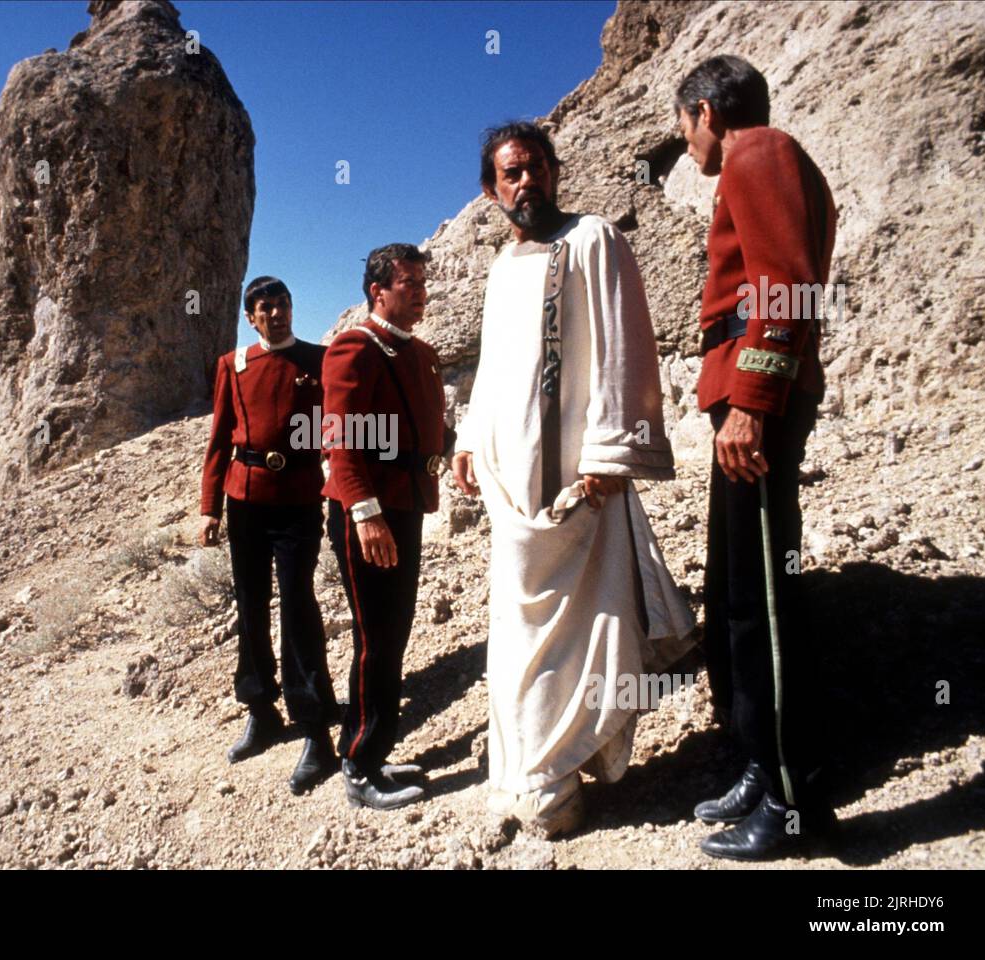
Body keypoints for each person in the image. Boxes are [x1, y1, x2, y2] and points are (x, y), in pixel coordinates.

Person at [452, 121, 696, 838]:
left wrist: (609, 453)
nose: (523, 183)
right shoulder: (501, 270)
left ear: (554, 171)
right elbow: (493, 368)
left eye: (533, 168)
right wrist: (468, 436)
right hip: (509, 482)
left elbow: (624, 346)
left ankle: (556, 785)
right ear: (493, 192)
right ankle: (521, 770)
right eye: (509, 175)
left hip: (574, 478)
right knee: (517, 632)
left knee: (579, 623)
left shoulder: (594, 240)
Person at [675, 55, 838, 860]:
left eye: (684, 128)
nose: (687, 144)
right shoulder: (754, 157)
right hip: (740, 397)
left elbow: (789, 286)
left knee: (767, 599)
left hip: (754, 401)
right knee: (741, 592)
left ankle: (795, 794)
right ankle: (758, 759)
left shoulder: (758, 150)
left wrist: (752, 401)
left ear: (705, 110)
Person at [321, 243, 451, 810]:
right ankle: (358, 764)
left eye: (423, 282)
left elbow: (433, 430)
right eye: (409, 283)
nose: (420, 292)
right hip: (369, 512)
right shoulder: (356, 347)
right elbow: (340, 436)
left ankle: (373, 749)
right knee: (376, 639)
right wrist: (364, 512)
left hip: (406, 506)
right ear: (378, 291)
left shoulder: (419, 353)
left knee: (394, 634)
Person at [199, 276, 338, 795]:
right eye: (265, 308)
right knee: (251, 605)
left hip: (299, 500)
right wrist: (210, 506)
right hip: (245, 500)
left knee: (298, 606)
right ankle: (260, 708)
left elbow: (335, 429)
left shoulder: (318, 359)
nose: (276, 314)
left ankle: (315, 726)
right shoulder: (233, 366)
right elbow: (218, 440)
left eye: (282, 304)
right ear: (250, 317)